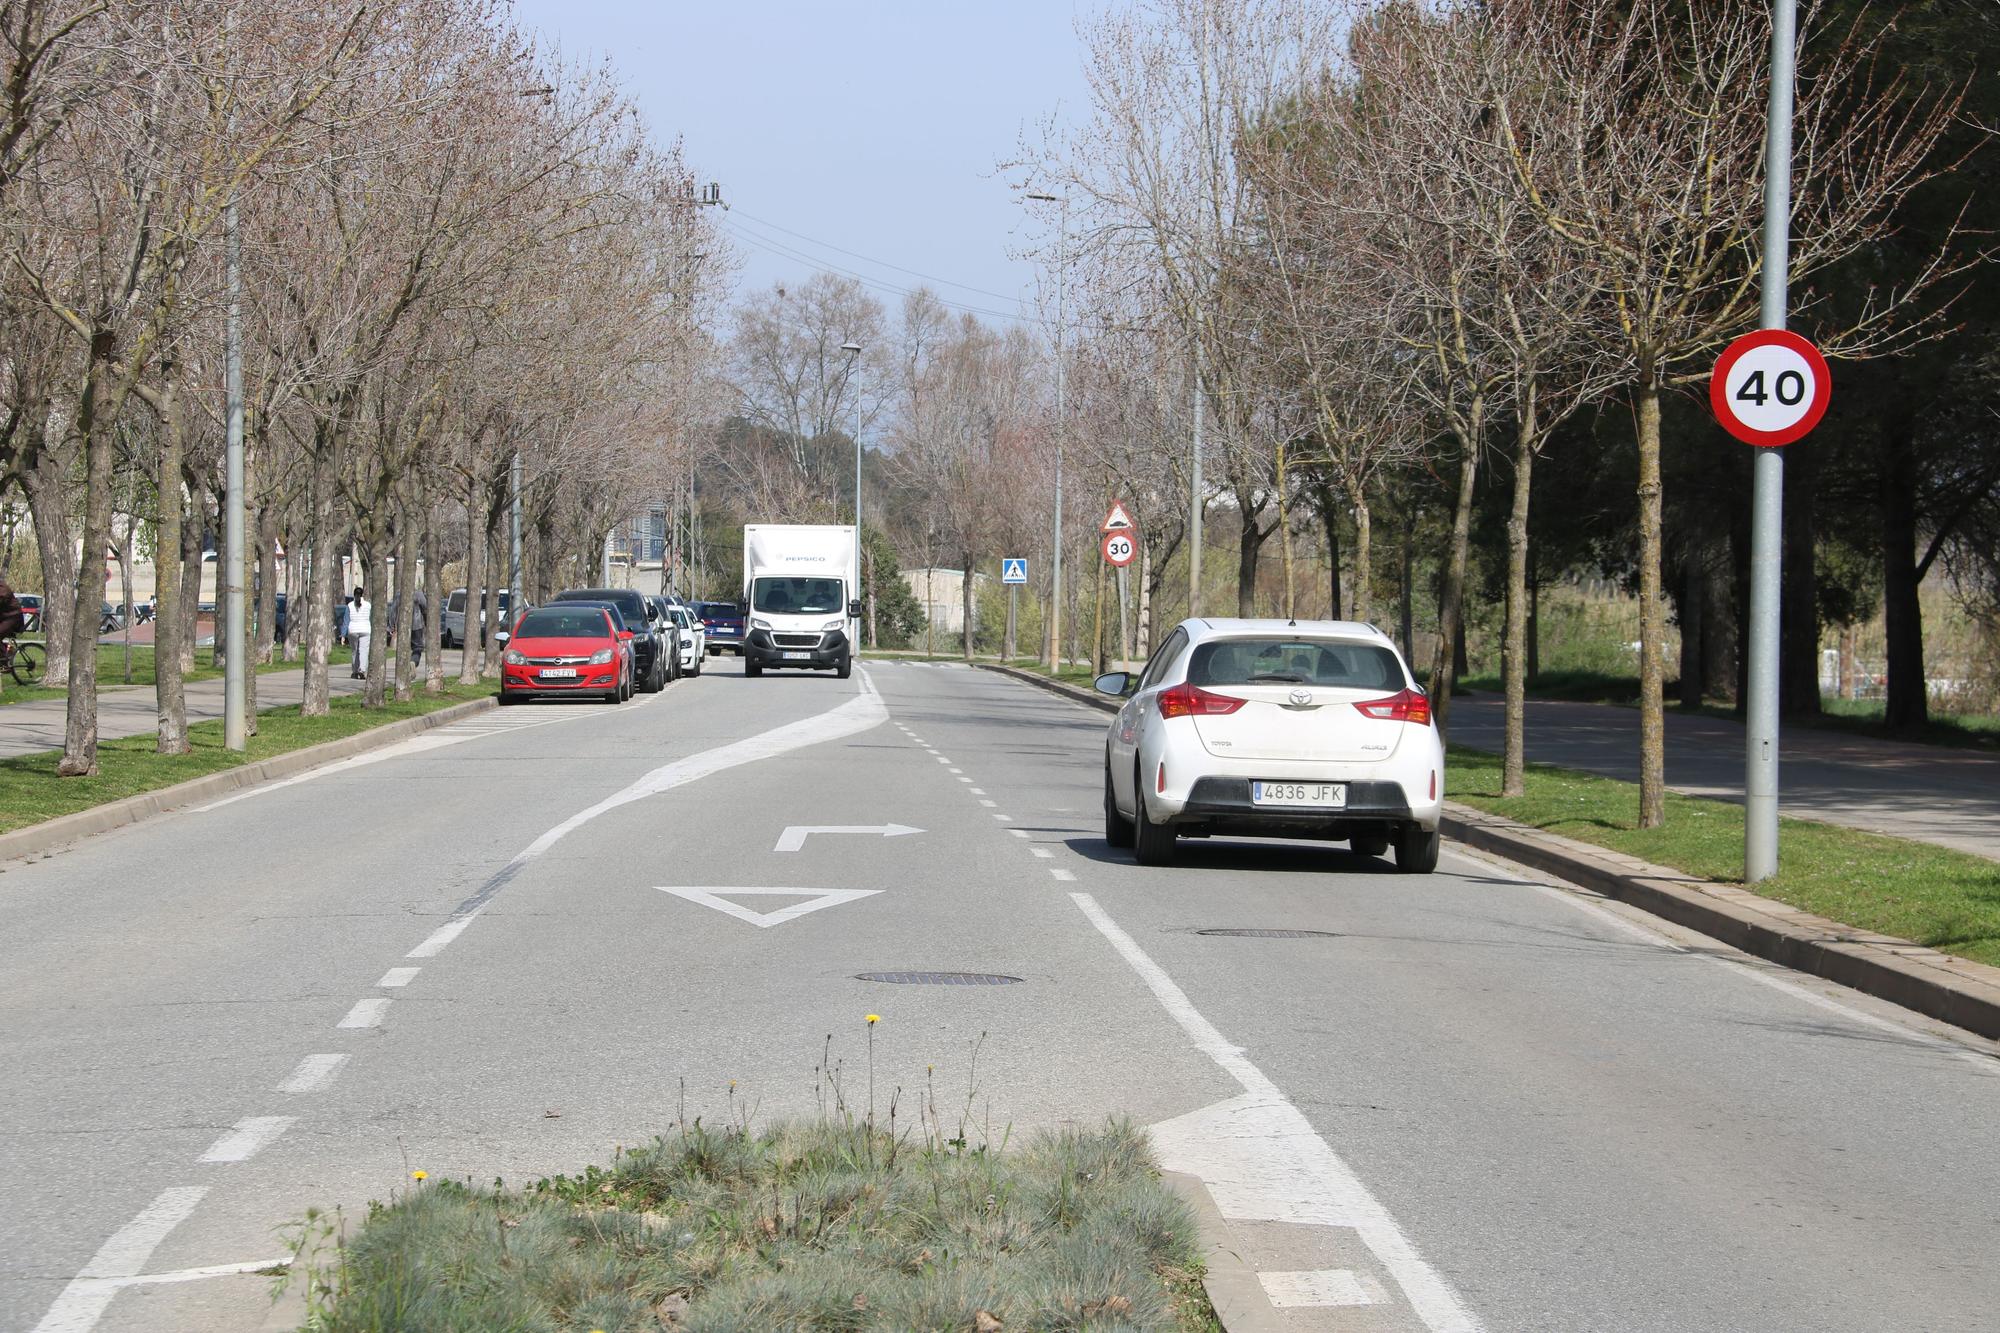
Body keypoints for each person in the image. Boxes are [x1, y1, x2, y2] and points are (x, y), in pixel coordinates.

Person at [347, 587, 372, 679]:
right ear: (362, 595)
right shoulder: (368, 605)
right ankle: (362, 670)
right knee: (363, 650)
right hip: (365, 629)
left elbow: (346, 620)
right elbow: (371, 617)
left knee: (355, 651)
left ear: (354, 595)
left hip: (353, 630)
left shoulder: (349, 605)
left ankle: (354, 671)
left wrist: (342, 634)